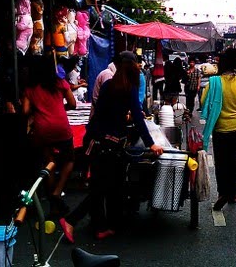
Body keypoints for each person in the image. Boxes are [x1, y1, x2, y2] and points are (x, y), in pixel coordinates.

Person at [59, 51, 164, 243]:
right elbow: (139, 120)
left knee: (106, 185)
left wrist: (123, 117)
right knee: (102, 187)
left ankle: (101, 227)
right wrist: (152, 144)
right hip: (106, 144)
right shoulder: (129, 87)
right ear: (131, 68)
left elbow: (104, 113)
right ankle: (70, 220)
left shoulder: (109, 84)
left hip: (96, 139)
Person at [22, 55, 77, 218]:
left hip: (42, 129)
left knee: (49, 164)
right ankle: (58, 191)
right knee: (69, 160)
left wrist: (38, 112)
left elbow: (25, 112)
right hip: (61, 126)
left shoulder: (30, 88)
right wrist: (59, 110)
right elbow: (73, 104)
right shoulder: (59, 83)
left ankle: (53, 207)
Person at [201, 47, 236, 211]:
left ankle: (221, 193)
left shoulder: (214, 83)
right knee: (233, 162)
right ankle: (232, 194)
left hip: (220, 128)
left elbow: (204, 102)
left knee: (220, 162)